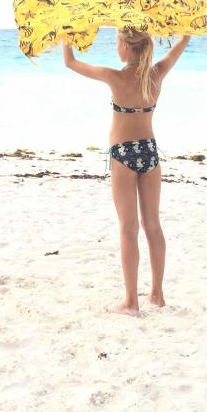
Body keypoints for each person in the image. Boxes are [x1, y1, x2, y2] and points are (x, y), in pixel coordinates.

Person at [62, 29, 191, 316]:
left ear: (124, 46)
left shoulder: (115, 77)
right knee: (153, 226)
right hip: (149, 153)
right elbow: (182, 43)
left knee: (128, 228)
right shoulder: (157, 74)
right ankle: (156, 294)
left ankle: (131, 301)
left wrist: (67, 34)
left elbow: (70, 63)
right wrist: (187, 23)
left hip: (123, 154)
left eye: (116, 42)